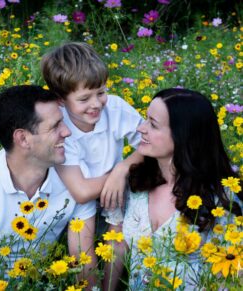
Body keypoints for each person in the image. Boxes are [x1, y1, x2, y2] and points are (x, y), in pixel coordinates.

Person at [0, 85, 97, 287]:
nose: (66, 132)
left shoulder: (77, 177)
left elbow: (83, 259)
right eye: (55, 126)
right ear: (23, 138)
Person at [41, 42, 144, 290]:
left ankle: (110, 286)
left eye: (101, 92)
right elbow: (81, 192)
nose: (96, 103)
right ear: (61, 100)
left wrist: (122, 170)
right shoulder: (61, 126)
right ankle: (88, 286)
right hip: (73, 186)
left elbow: (148, 145)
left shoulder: (115, 108)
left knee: (116, 228)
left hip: (110, 182)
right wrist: (115, 175)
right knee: (82, 236)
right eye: (84, 98)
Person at [122, 88, 243, 289]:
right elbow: (116, 247)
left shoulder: (221, 199)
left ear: (183, 136)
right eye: (145, 119)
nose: (140, 128)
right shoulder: (135, 182)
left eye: (153, 124)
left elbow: (232, 273)